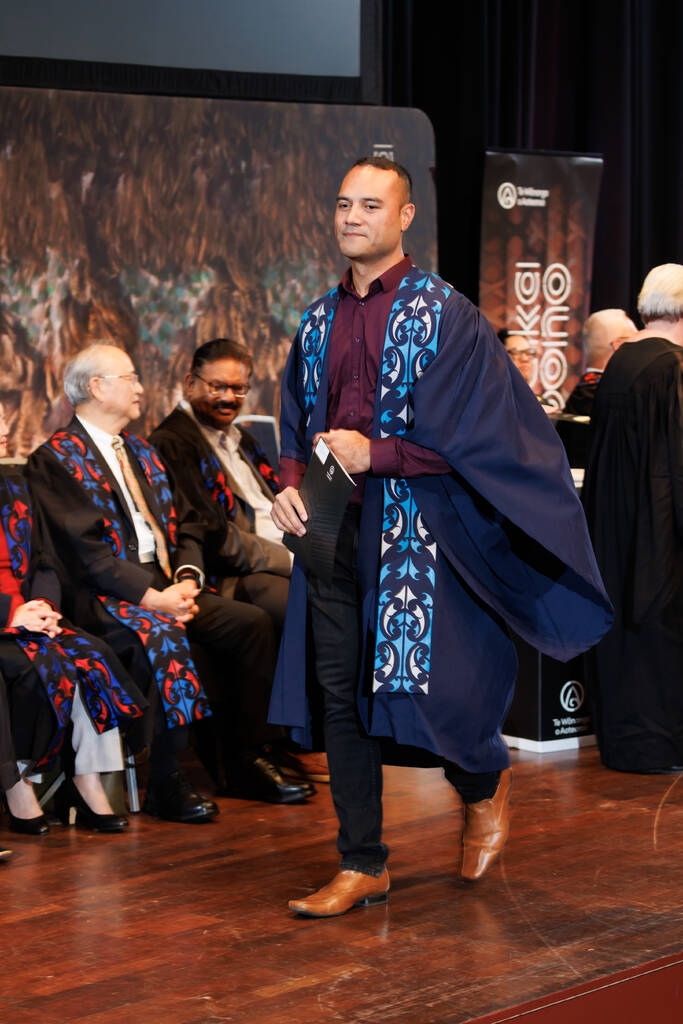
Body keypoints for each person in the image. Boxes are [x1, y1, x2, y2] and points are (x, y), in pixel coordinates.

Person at [270, 156, 612, 917]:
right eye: (342, 203)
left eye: (369, 205)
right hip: (331, 531)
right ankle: (362, 862)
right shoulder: (317, 319)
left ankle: (482, 780)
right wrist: (289, 484)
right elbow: (294, 418)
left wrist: (376, 453)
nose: (351, 217)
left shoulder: (445, 315)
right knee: (338, 699)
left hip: (422, 534)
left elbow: (484, 433)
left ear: (403, 218)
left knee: (437, 697)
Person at [27, 344, 312, 818]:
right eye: (131, 378)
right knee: (162, 634)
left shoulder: (141, 451)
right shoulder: (55, 459)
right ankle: (167, 779)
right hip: (105, 595)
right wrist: (154, 598)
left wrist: (184, 577)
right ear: (97, 387)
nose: (141, 387)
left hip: (166, 581)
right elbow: (86, 555)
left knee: (251, 623)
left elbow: (190, 525)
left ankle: (247, 758)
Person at [149, 338, 328, 785]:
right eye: (217, 386)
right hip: (231, 573)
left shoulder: (241, 438)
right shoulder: (172, 442)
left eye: (238, 388)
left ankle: (315, 736)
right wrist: (286, 557)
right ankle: (287, 741)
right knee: (297, 604)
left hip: (282, 551)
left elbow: (273, 502)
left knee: (334, 599)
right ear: (191, 383)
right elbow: (209, 535)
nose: (229, 397)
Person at [0, 413, 145, 836]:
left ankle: (87, 778)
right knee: (38, 667)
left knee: (90, 654)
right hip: (5, 616)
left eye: (6, 417)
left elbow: (44, 558)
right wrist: (11, 613)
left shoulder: (13, 483)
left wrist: (42, 605)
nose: (5, 426)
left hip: (30, 612)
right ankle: (17, 784)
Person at [582, 264, 683, 773]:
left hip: (613, 529)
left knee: (623, 636)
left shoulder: (622, 363)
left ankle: (629, 746)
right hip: (657, 534)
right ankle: (662, 747)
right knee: (659, 636)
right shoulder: (673, 368)